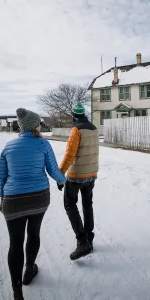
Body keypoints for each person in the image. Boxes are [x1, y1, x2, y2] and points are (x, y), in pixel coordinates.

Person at [0, 108, 65, 300]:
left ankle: (17, 294)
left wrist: (3, 197)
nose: (40, 126)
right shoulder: (43, 144)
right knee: (34, 233)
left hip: (13, 200)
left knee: (15, 242)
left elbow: (2, 176)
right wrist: (62, 181)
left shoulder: (8, 147)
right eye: (39, 123)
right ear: (34, 126)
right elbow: (53, 170)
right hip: (38, 197)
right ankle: (29, 269)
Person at [59, 103, 99, 261]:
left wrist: (60, 174)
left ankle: (82, 242)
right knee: (87, 204)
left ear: (74, 116)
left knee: (70, 204)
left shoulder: (76, 130)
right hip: (91, 174)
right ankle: (89, 238)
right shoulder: (94, 128)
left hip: (76, 175)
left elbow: (70, 154)